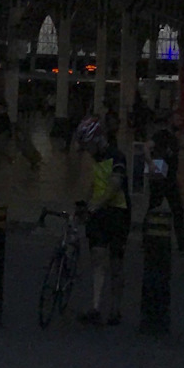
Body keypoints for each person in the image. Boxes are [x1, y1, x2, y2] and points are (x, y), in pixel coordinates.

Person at [77, 127, 132, 325]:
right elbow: (95, 183)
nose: (87, 149)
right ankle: (95, 306)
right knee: (98, 258)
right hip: (99, 214)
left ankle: (115, 308)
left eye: (88, 144)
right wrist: (85, 203)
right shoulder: (96, 159)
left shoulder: (117, 157)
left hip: (118, 213)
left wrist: (96, 204)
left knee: (116, 262)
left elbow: (115, 184)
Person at [145, 117, 184, 252]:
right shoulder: (164, 136)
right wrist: (150, 163)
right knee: (175, 209)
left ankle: (147, 239)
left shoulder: (168, 138)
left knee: (156, 207)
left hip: (164, 178)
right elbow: (147, 147)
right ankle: (181, 243)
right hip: (165, 179)